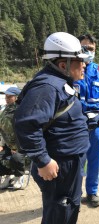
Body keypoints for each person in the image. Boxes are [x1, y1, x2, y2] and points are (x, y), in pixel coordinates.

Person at [14, 32, 90, 224]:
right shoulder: (47, 87)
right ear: (63, 64)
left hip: (69, 162)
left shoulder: (60, 82)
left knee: (68, 210)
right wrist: (43, 160)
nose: (84, 65)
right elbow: (26, 125)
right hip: (58, 166)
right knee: (59, 213)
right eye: (79, 61)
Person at [74, 33, 99, 208]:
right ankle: (74, 193)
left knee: (95, 160)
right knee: (76, 161)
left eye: (91, 49)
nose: (88, 51)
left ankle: (92, 192)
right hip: (77, 124)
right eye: (84, 48)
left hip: (96, 123)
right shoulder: (72, 69)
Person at [0, 87, 25, 189]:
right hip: (8, 144)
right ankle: (8, 176)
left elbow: (24, 131)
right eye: (6, 96)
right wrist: (1, 144)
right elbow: (3, 129)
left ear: (16, 97)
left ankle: (19, 176)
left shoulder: (22, 111)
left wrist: (16, 147)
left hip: (21, 145)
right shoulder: (3, 110)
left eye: (9, 96)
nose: (6, 98)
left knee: (16, 157)